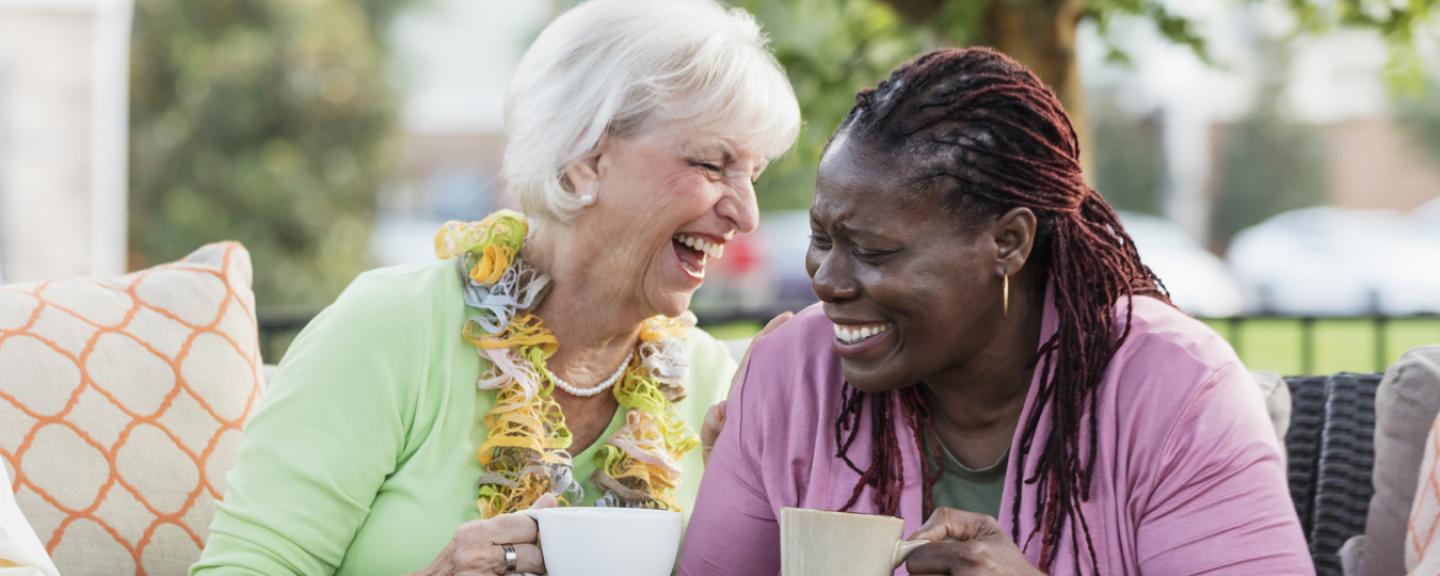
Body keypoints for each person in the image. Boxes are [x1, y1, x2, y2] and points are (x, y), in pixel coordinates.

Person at [191, 1, 799, 574]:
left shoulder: (707, 384)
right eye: (712, 164)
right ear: (586, 158)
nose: (745, 215)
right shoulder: (394, 330)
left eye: (753, 174)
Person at [679, 47, 1312, 575]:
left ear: (1008, 242)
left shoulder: (1175, 392)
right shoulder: (795, 375)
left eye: (873, 250)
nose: (828, 281)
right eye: (823, 240)